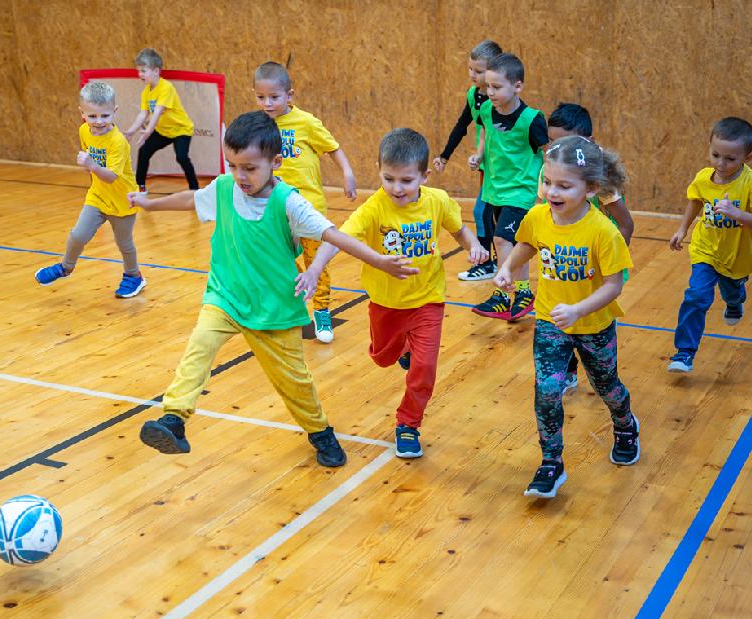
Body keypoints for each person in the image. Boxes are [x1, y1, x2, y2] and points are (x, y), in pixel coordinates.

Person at [128, 111, 417, 467]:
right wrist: (151, 203)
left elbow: (333, 235)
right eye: (233, 165)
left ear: (275, 162)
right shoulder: (223, 188)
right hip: (226, 297)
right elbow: (193, 200)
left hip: (273, 309)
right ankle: (174, 418)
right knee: (198, 350)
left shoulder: (289, 203)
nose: (239, 175)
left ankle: (320, 432)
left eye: (249, 167)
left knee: (295, 383)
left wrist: (380, 261)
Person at [299, 128, 487, 458]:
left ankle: (408, 424)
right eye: (389, 178)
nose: (396, 188)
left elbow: (460, 231)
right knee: (381, 356)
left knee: (424, 368)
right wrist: (315, 268)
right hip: (386, 303)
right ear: (379, 170)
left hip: (429, 300)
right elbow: (339, 239)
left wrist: (474, 247)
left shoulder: (438, 202)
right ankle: (401, 350)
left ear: (425, 177)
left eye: (406, 180)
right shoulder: (374, 208)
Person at [493, 136, 638, 498]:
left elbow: (614, 285)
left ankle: (625, 426)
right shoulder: (539, 216)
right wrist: (509, 267)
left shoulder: (603, 231)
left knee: (607, 387)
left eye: (563, 185)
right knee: (547, 391)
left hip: (593, 325)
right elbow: (528, 242)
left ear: (591, 188)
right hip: (550, 322)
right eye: (547, 182)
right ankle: (551, 463)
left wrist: (578, 309)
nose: (551, 191)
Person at [252, 61, 358, 343]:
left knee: (317, 263)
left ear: (290, 95)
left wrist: (347, 173)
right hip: (276, 209)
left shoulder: (307, 123)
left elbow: (333, 148)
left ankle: (321, 311)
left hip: (309, 208)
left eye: (274, 97)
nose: (268, 103)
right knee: (277, 261)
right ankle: (290, 309)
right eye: (261, 97)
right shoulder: (259, 126)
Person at [668, 117, 752, 372]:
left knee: (731, 290)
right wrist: (682, 229)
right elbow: (695, 201)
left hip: (737, 256)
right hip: (705, 249)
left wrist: (736, 213)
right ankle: (684, 353)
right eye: (715, 155)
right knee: (696, 296)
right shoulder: (704, 178)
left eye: (730, 159)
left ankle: (735, 299)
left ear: (747, 157)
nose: (721, 163)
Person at [545, 102, 635, 393]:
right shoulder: (552, 178)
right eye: (553, 142)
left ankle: (603, 374)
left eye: (565, 141)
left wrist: (611, 264)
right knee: (563, 316)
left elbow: (626, 225)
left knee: (593, 323)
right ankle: (567, 369)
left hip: (600, 264)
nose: (559, 148)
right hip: (569, 262)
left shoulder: (602, 184)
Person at [34, 81, 145, 298]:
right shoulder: (84, 130)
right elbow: (92, 160)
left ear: (114, 112)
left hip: (123, 200)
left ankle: (134, 276)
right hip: (97, 196)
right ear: (82, 113)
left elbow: (112, 176)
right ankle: (66, 267)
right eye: (92, 116)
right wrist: (90, 169)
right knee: (78, 235)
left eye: (104, 116)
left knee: (124, 243)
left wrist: (91, 165)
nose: (99, 121)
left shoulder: (118, 142)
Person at [469, 52, 549, 322]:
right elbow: (484, 136)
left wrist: (550, 187)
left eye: (496, 87)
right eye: (487, 86)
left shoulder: (532, 119)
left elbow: (548, 153)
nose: (489, 92)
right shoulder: (486, 111)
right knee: (508, 241)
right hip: (495, 190)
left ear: (517, 86)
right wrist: (478, 156)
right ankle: (516, 294)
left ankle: (511, 293)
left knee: (503, 239)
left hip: (521, 192)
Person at [432, 39, 503, 282]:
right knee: (486, 212)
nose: (472, 75)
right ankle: (491, 263)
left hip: (502, 167)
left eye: (479, 71)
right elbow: (463, 125)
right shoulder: (474, 95)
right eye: (470, 69)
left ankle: (492, 263)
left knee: (486, 212)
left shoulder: (500, 100)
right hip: (487, 165)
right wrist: (444, 156)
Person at [124, 48, 199, 192]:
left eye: (143, 71)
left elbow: (157, 111)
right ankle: (140, 186)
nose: (140, 74)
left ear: (156, 71)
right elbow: (143, 114)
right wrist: (131, 131)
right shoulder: (146, 92)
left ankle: (195, 190)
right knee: (144, 151)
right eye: (138, 71)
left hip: (180, 130)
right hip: (163, 131)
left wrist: (148, 131)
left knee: (181, 157)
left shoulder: (166, 87)